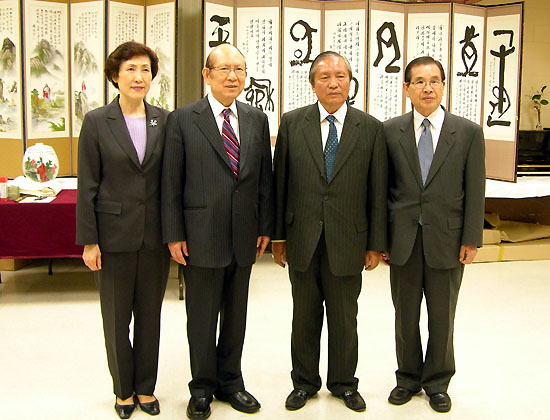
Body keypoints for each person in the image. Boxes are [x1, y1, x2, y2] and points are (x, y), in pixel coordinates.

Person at [161, 44, 274, 420]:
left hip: (244, 235)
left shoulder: (256, 119)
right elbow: (171, 181)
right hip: (199, 236)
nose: (232, 76)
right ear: (206, 75)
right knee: (202, 317)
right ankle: (201, 388)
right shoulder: (182, 119)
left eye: (239, 69)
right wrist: (174, 233)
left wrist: (265, 225)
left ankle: (231, 382)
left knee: (236, 315)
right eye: (224, 69)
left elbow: (264, 178)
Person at [272, 51, 387, 412]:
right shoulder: (293, 123)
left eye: (341, 76)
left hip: (349, 240)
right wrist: (278, 237)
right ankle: (304, 383)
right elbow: (280, 184)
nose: (333, 83)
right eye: (324, 77)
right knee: (304, 317)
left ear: (351, 83)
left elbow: (377, 191)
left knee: (344, 319)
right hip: (302, 238)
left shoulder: (371, 128)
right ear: (312, 84)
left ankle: (344, 384)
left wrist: (375, 244)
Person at [382, 56, 485, 413]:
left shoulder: (467, 132)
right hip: (403, 241)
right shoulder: (389, 131)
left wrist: (471, 237)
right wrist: (381, 240)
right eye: (420, 82)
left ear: (443, 86)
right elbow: (382, 190)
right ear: (406, 88)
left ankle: (438, 382)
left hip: (448, 240)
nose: (428, 88)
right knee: (405, 316)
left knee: (443, 316)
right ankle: (407, 378)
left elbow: (475, 189)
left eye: (435, 81)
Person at [76, 41, 170, 419]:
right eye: (130, 69)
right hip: (112, 237)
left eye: (145, 69)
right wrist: (89, 241)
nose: (138, 76)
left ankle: (146, 388)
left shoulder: (164, 120)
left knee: (150, 318)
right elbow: (87, 185)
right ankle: (123, 391)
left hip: (154, 238)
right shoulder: (97, 121)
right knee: (116, 320)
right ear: (115, 76)